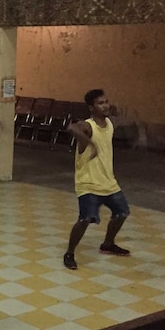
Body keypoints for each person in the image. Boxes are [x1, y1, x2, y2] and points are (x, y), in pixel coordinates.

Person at [63, 88, 131, 270]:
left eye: (106, 101)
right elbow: (71, 127)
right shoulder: (88, 125)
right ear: (91, 108)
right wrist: (89, 142)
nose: (105, 105)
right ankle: (69, 252)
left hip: (108, 182)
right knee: (85, 219)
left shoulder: (108, 123)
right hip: (88, 183)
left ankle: (108, 244)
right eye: (100, 103)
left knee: (122, 212)